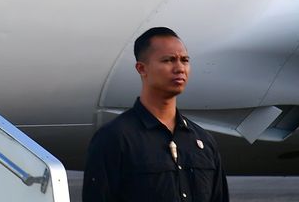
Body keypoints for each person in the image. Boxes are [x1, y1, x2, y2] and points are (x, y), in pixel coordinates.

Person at [82, 27, 229, 202]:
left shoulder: (203, 141)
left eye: (185, 60)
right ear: (141, 68)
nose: (180, 68)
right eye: (169, 60)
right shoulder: (114, 138)